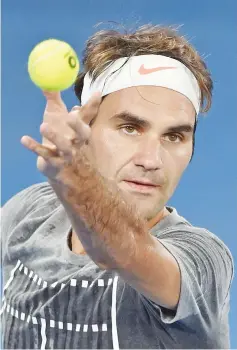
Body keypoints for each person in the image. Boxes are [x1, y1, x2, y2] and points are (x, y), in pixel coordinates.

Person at [1, 24, 234, 349]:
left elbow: (121, 252)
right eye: (130, 128)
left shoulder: (203, 259)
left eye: (174, 136)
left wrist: (75, 177)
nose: (151, 159)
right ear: (85, 125)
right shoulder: (29, 214)